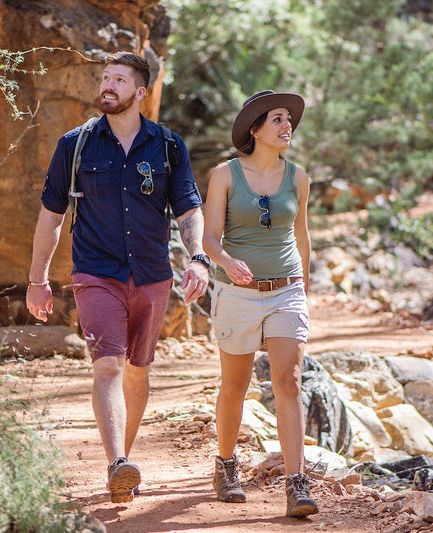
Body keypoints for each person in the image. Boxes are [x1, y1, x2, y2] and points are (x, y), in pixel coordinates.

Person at [26, 52, 210, 504]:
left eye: (119, 80)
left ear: (140, 92)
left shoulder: (168, 146)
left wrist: (199, 257)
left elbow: (188, 209)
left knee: (137, 371)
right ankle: (116, 464)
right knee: (107, 363)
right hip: (96, 272)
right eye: (105, 78)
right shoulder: (76, 145)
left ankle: (122, 462)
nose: (108, 86)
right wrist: (37, 278)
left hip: (151, 275)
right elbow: (51, 215)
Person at [202, 90, 318, 517]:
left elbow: (301, 235)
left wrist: (303, 285)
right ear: (255, 129)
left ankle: (297, 482)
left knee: (288, 382)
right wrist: (228, 263)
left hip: (286, 290)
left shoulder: (299, 177)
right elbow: (210, 238)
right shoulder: (225, 175)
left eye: (289, 119)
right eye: (277, 119)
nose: (287, 126)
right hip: (237, 294)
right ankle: (227, 465)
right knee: (236, 385)